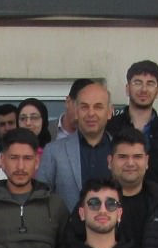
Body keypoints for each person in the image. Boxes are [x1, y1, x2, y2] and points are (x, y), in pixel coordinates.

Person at [38, 78, 113, 209]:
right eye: (84, 107)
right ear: (77, 112)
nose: (91, 113)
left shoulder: (121, 152)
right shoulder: (53, 151)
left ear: (109, 112)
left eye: (98, 107)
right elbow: (40, 199)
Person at [109, 129, 158, 248]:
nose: (130, 163)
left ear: (147, 161)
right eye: (122, 157)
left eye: (137, 157)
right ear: (110, 161)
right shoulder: (93, 204)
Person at [109, 59, 158, 145]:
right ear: (127, 89)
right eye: (138, 83)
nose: (144, 89)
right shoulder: (110, 127)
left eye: (150, 83)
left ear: (157, 92)